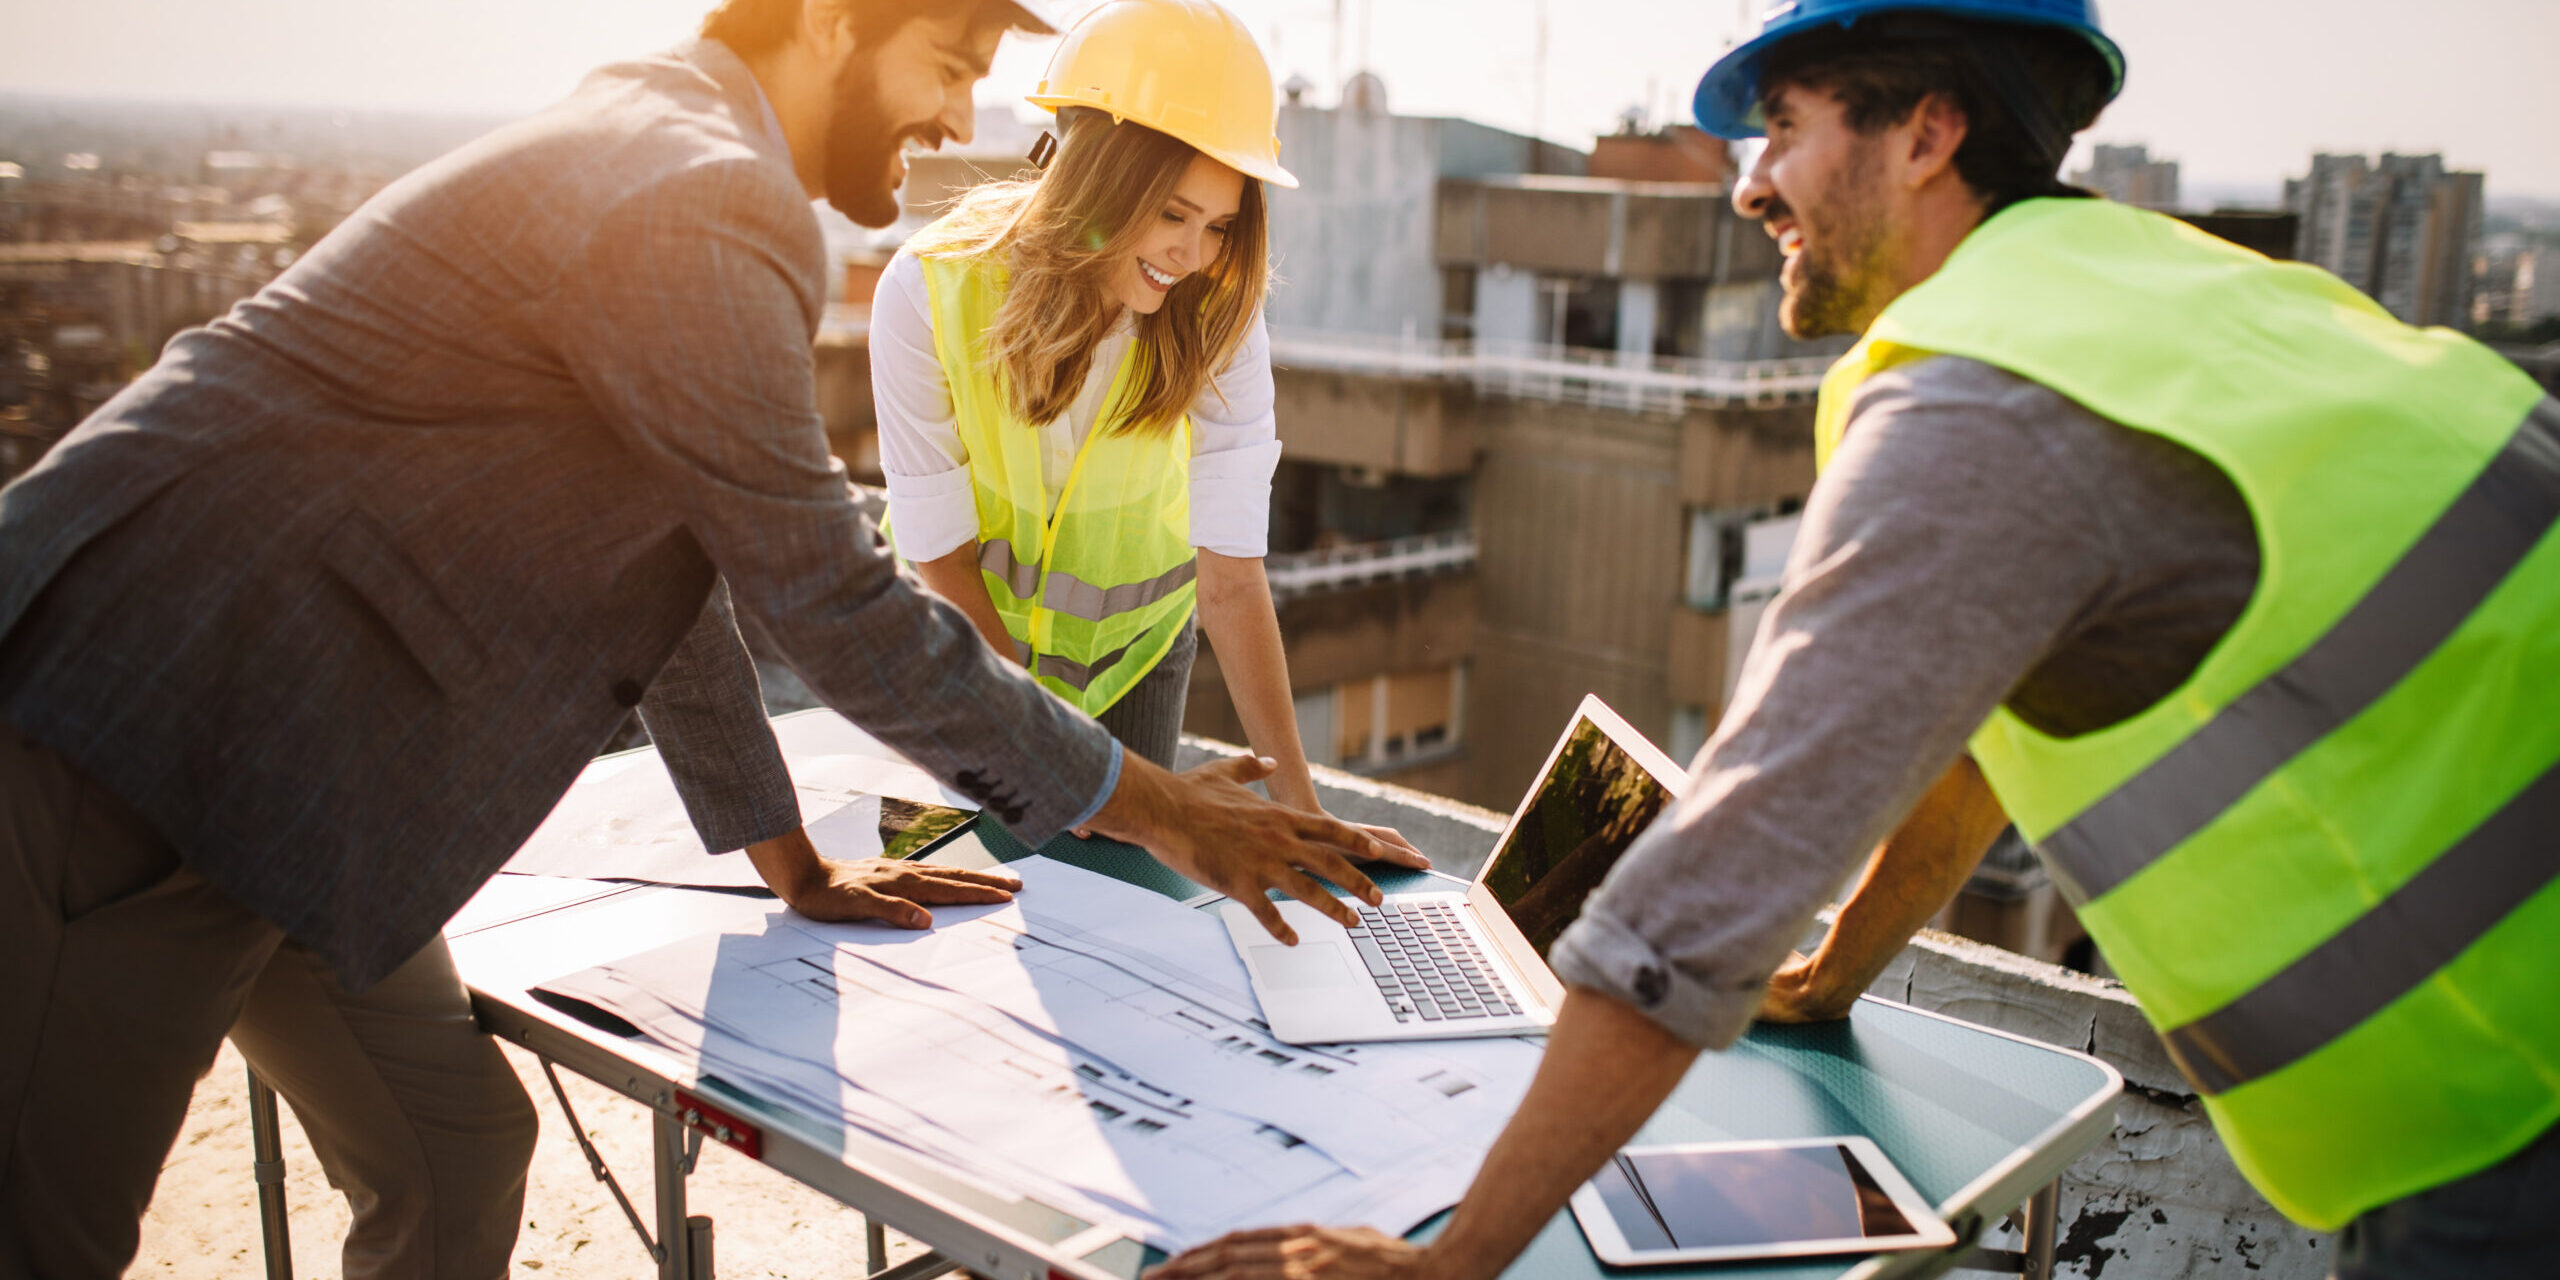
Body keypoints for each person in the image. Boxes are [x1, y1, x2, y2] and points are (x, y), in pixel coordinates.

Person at [0, 0, 1425, 1274]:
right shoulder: (700, 191)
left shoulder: (676, 150)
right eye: (947, 62)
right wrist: (1165, 808)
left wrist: (791, 863)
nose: (961, 120)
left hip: (306, 787)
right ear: (826, 22)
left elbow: (667, 579)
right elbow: (831, 600)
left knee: (451, 1155)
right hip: (135, 726)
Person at [1153, 2, 2560, 1278]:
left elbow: (1725, 873)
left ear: (1927, 134)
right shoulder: (2182, 298)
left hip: (2512, 1116)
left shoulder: (1984, 400)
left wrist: (1455, 1264)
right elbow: (1988, 742)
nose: (1750, 183)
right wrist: (1835, 973)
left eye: (1783, 127)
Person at [875, 0, 1394, 849]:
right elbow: (941, 559)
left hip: (1133, 662)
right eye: (1172, 214)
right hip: (960, 640)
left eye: (1219, 226)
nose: (1193, 256)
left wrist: (1300, 807)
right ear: (1094, 175)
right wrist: (1054, 764)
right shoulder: (926, 291)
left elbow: (1231, 578)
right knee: (968, 882)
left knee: (1128, 897)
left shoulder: (1219, 317)